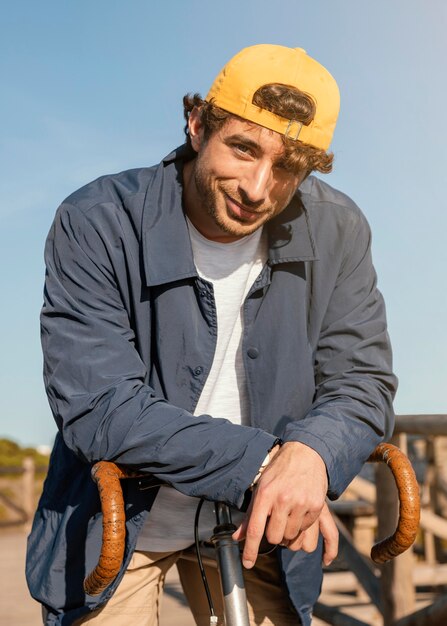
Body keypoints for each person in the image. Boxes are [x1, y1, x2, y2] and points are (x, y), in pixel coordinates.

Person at [26, 44, 396, 626]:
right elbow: (98, 404)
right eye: (243, 149)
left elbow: (361, 380)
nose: (257, 188)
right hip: (119, 520)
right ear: (198, 125)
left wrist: (315, 455)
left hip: (263, 527)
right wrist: (270, 461)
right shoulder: (96, 219)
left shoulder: (340, 227)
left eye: (288, 168)